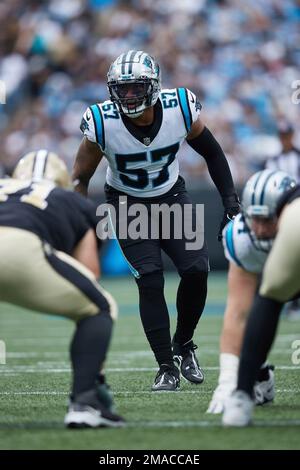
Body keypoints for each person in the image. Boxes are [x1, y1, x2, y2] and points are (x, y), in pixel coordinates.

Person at [73, 50, 240, 391]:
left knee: (197, 269)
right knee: (150, 280)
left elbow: (212, 151)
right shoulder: (102, 121)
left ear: (153, 86)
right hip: (126, 203)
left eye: (136, 88)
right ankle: (166, 366)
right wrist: (78, 222)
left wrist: (230, 203)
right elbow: (80, 177)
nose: (129, 96)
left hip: (171, 195)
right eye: (122, 89)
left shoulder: (180, 107)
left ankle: (185, 343)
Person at [0, 149, 124, 428]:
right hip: (19, 246)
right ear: (62, 181)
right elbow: (89, 273)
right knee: (99, 308)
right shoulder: (70, 199)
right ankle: (84, 402)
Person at [207, 169, 296, 414]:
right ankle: (258, 374)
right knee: (254, 314)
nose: (258, 229)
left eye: (267, 219)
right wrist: (227, 382)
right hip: (272, 282)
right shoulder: (241, 238)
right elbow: (238, 313)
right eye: (253, 218)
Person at [265, 122, 300, 319]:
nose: (284, 139)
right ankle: (290, 302)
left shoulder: (298, 157)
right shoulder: (273, 160)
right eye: (282, 135)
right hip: (279, 212)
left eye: (287, 135)